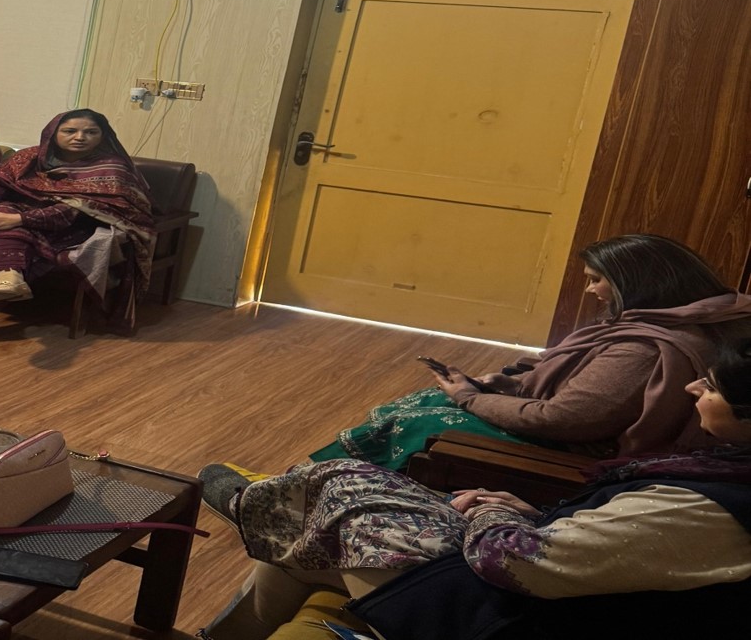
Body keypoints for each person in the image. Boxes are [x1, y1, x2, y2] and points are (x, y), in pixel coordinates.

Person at [196, 342, 751, 640]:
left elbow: (518, 562)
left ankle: (257, 504)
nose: (692, 387)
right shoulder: (725, 475)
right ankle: (264, 515)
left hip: (513, 609)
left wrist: (490, 512)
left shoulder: (707, 508)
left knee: (342, 499)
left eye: (712, 386)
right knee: (329, 508)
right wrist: (529, 509)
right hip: (553, 568)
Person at [308, 235, 751, 469]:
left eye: (597, 279)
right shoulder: (690, 317)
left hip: (579, 454)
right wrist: (513, 384)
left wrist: (471, 398)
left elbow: (563, 420)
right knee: (425, 400)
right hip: (576, 430)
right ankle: (316, 479)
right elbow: (587, 390)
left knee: (416, 421)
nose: (590, 289)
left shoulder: (643, 348)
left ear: (637, 285)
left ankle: (312, 486)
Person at [0, 109, 154, 351]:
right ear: (53, 133)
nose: (80, 137)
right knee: (0, 217)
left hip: (73, 226)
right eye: (70, 131)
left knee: (4, 229)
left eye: (91, 132)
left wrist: (19, 219)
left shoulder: (112, 167)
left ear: (103, 135)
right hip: (16, 215)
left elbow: (79, 210)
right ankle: (8, 279)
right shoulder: (30, 156)